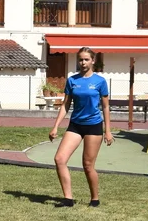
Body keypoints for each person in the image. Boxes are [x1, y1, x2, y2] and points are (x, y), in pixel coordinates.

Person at [48, 47, 113, 207]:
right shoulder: (72, 81)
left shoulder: (100, 82)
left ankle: (95, 198)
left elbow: (105, 107)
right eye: (80, 59)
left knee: (88, 165)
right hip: (75, 125)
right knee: (59, 159)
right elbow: (65, 105)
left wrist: (108, 131)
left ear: (93, 61)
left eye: (86, 59)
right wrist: (55, 126)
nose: (83, 62)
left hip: (93, 126)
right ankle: (68, 199)